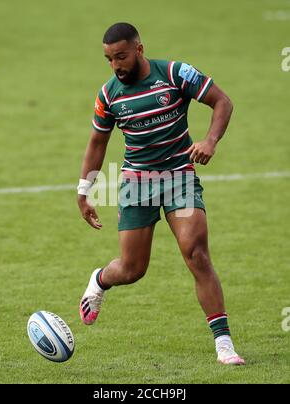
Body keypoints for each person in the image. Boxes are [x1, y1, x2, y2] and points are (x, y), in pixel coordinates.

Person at [77, 22, 245, 366]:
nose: (115, 66)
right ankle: (100, 279)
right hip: (137, 183)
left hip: (179, 177)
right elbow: (97, 143)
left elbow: (222, 102)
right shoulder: (109, 95)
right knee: (132, 269)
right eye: (109, 59)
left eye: (120, 57)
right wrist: (84, 191)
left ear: (139, 49)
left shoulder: (174, 73)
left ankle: (224, 344)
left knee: (196, 252)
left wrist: (210, 141)